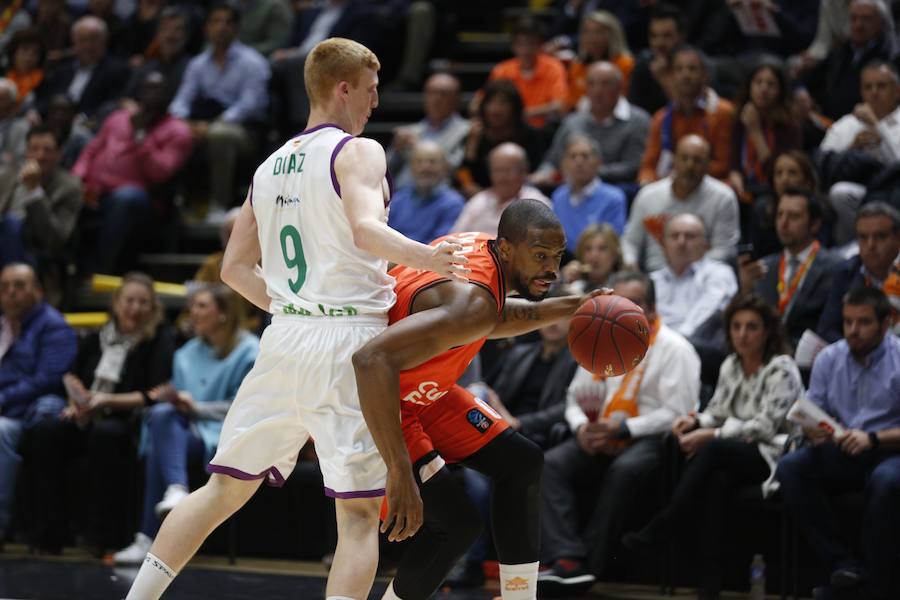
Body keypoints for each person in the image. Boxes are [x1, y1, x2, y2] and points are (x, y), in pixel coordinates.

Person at [122, 37, 468, 600]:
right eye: (373, 91)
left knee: (220, 493)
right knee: (357, 520)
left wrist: (292, 304)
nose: (376, 104)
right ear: (344, 88)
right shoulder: (358, 151)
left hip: (285, 338)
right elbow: (364, 230)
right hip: (350, 343)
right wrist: (427, 257)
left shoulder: (268, 166)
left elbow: (233, 269)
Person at [352, 199, 603, 600]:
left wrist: (573, 305)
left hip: (421, 390)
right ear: (507, 249)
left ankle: (519, 595)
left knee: (522, 462)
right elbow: (369, 360)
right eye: (540, 256)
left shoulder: (481, 250)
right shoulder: (475, 305)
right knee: (455, 525)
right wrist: (399, 470)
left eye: (556, 256)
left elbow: (493, 316)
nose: (552, 269)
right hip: (382, 398)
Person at [623, 293, 803, 598]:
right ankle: (710, 582)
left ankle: (667, 523)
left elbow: (764, 427)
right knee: (715, 481)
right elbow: (718, 411)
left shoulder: (782, 367)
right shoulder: (731, 364)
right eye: (736, 327)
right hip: (734, 454)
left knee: (714, 451)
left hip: (774, 454)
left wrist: (712, 434)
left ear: (768, 331)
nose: (742, 335)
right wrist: (694, 421)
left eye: (751, 327)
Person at [538, 270, 700, 592]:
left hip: (651, 439)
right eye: (618, 302)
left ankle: (590, 565)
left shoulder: (675, 349)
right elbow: (573, 398)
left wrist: (625, 428)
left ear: (652, 308)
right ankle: (567, 557)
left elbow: (679, 413)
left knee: (624, 469)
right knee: (549, 463)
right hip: (600, 435)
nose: (623, 310)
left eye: (634, 303)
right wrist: (582, 427)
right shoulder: (599, 339)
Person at [25, 272, 174, 553]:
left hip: (125, 419)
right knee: (47, 431)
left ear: (152, 308)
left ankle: (101, 536)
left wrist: (107, 401)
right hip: (87, 413)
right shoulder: (96, 337)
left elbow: (152, 394)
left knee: (106, 436)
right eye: (129, 301)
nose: (135, 308)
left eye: (143, 303)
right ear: (116, 303)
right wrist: (76, 405)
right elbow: (73, 377)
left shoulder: (159, 339)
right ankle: (49, 532)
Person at [113, 284, 258, 564]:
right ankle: (175, 490)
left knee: (160, 436)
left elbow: (247, 408)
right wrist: (176, 400)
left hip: (223, 434)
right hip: (183, 431)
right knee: (162, 414)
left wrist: (196, 407)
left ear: (223, 314)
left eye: (202, 306)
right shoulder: (186, 352)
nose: (193, 313)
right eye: (192, 306)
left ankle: (147, 537)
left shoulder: (250, 351)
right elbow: (177, 403)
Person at [777, 287, 900, 600]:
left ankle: (875, 587)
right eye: (847, 322)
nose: (853, 331)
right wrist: (812, 429)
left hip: (888, 449)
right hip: (843, 447)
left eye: (863, 323)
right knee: (791, 468)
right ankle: (845, 566)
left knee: (886, 481)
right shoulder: (830, 358)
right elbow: (811, 410)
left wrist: (872, 438)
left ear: (886, 323)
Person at [73, 70, 193, 275]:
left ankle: (99, 270)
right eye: (147, 89)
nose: (151, 95)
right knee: (66, 189)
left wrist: (141, 136)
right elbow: (92, 149)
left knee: (126, 198)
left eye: (157, 90)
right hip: (96, 191)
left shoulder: (178, 131)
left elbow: (160, 172)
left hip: (144, 203)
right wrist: (78, 178)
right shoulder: (117, 118)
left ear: (169, 96)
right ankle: (65, 270)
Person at [168, 2, 270, 222]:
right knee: (172, 130)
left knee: (219, 134)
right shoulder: (198, 64)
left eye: (228, 22)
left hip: (244, 130)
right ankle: (177, 201)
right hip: (202, 124)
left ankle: (218, 205)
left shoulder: (253, 62)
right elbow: (181, 102)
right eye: (216, 22)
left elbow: (249, 105)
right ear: (207, 28)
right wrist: (183, 122)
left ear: (236, 29)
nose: (221, 27)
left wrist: (212, 124)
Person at [0, 263, 77, 543]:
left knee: (1, 431)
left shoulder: (54, 326)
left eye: (19, 286)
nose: (10, 293)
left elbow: (47, 378)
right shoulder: (4, 324)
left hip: (31, 409)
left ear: (38, 291)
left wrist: (3, 399)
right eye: (5, 287)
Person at [739, 188, 842, 348]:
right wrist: (745, 290)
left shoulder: (835, 267)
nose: (783, 223)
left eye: (793, 216)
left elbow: (830, 327)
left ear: (814, 224)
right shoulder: (764, 267)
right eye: (780, 215)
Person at [623, 134, 740, 273]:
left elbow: (724, 249)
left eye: (697, 160)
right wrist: (630, 263)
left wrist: (686, 272)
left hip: (702, 276)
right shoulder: (648, 195)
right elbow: (631, 241)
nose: (690, 166)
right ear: (674, 160)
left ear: (708, 164)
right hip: (653, 277)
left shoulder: (723, 197)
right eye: (684, 158)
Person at [819, 60, 900, 245]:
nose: (874, 92)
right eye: (868, 87)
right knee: (839, 193)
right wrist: (851, 151)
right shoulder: (846, 125)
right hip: (861, 191)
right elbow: (823, 165)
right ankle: (853, 247)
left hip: (894, 192)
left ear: (897, 90)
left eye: (881, 86)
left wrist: (878, 127)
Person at [533, 61, 650, 187]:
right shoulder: (572, 121)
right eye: (591, 84)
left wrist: (586, 171)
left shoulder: (638, 121)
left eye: (605, 84)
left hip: (617, 189)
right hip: (570, 189)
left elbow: (632, 166)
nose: (597, 90)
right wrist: (543, 173)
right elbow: (552, 159)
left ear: (619, 87)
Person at [638, 44, 734, 185]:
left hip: (709, 184)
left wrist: (682, 173)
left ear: (705, 75)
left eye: (692, 69)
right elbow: (649, 165)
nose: (685, 75)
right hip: (669, 185)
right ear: (671, 76)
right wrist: (646, 181)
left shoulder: (723, 112)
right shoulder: (661, 117)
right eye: (679, 69)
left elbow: (722, 164)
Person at [0, 126, 82, 271]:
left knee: (13, 223)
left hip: (34, 252)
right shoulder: (8, 177)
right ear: (26, 152)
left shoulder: (70, 187)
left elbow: (54, 240)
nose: (40, 156)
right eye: (34, 149)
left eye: (47, 150)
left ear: (59, 154)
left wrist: (34, 191)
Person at [817, 202, 900, 342]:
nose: (871, 245)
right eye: (863, 237)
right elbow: (827, 330)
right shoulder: (845, 272)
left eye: (880, 236)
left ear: (898, 238)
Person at [651, 213, 737, 344]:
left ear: (705, 244)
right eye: (675, 236)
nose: (681, 242)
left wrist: (674, 343)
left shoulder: (718, 273)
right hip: (653, 346)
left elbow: (709, 311)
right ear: (663, 244)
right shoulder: (653, 280)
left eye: (690, 236)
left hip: (698, 347)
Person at [727, 58, 802, 205]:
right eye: (758, 82)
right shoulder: (739, 117)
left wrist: (756, 132)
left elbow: (778, 170)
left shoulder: (789, 125)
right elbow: (734, 163)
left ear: (780, 91)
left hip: (771, 188)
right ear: (749, 86)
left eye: (771, 84)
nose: (763, 88)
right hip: (743, 184)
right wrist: (735, 178)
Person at [386, 73, 470, 190]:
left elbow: (457, 171)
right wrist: (397, 151)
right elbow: (386, 170)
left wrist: (419, 145)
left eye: (443, 93)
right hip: (401, 197)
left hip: (440, 198)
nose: (436, 98)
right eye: (431, 93)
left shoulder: (467, 130)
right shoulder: (411, 130)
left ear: (457, 99)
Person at [487, 16, 568, 129]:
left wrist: (520, 114)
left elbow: (559, 106)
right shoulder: (501, 70)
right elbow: (482, 102)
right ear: (513, 46)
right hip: (508, 129)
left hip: (541, 131)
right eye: (520, 44)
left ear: (539, 45)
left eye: (531, 43)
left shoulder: (554, 67)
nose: (526, 50)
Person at [453, 142, 550, 237]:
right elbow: (454, 236)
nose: (501, 177)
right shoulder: (479, 200)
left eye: (507, 171)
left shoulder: (538, 205)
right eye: (497, 171)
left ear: (524, 171)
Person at [551, 134, 627, 252]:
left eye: (585, 156)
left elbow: (613, 243)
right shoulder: (558, 196)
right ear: (563, 163)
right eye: (572, 156)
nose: (579, 162)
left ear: (599, 162)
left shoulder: (613, 198)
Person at [387, 140, 465, 245]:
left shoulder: (454, 204)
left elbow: (440, 245)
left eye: (432, 162)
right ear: (411, 167)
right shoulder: (397, 200)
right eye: (419, 161)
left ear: (444, 167)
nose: (425, 167)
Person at [564, 11, 634, 109]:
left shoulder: (626, 64)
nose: (591, 38)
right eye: (586, 32)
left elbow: (625, 102)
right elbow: (568, 103)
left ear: (612, 35)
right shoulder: (577, 66)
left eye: (598, 32)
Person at [628, 3, 685, 115]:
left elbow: (689, 113)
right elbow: (635, 111)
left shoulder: (693, 65)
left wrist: (663, 79)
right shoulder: (643, 66)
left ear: (682, 36)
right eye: (654, 36)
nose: (659, 43)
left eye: (667, 36)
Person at [561, 223, 623, 293]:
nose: (594, 255)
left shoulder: (626, 288)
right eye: (588, 249)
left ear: (614, 254)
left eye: (602, 248)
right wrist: (564, 281)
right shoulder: (574, 288)